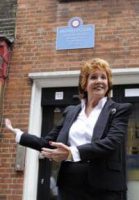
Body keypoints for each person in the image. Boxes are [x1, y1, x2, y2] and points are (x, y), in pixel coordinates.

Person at [5, 58, 132, 200]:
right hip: (70, 184)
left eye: (104, 77)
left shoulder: (119, 109)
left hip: (105, 186)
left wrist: (72, 153)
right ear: (84, 83)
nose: (99, 81)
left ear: (108, 83)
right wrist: (21, 136)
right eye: (93, 77)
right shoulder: (71, 111)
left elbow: (111, 142)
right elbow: (49, 143)